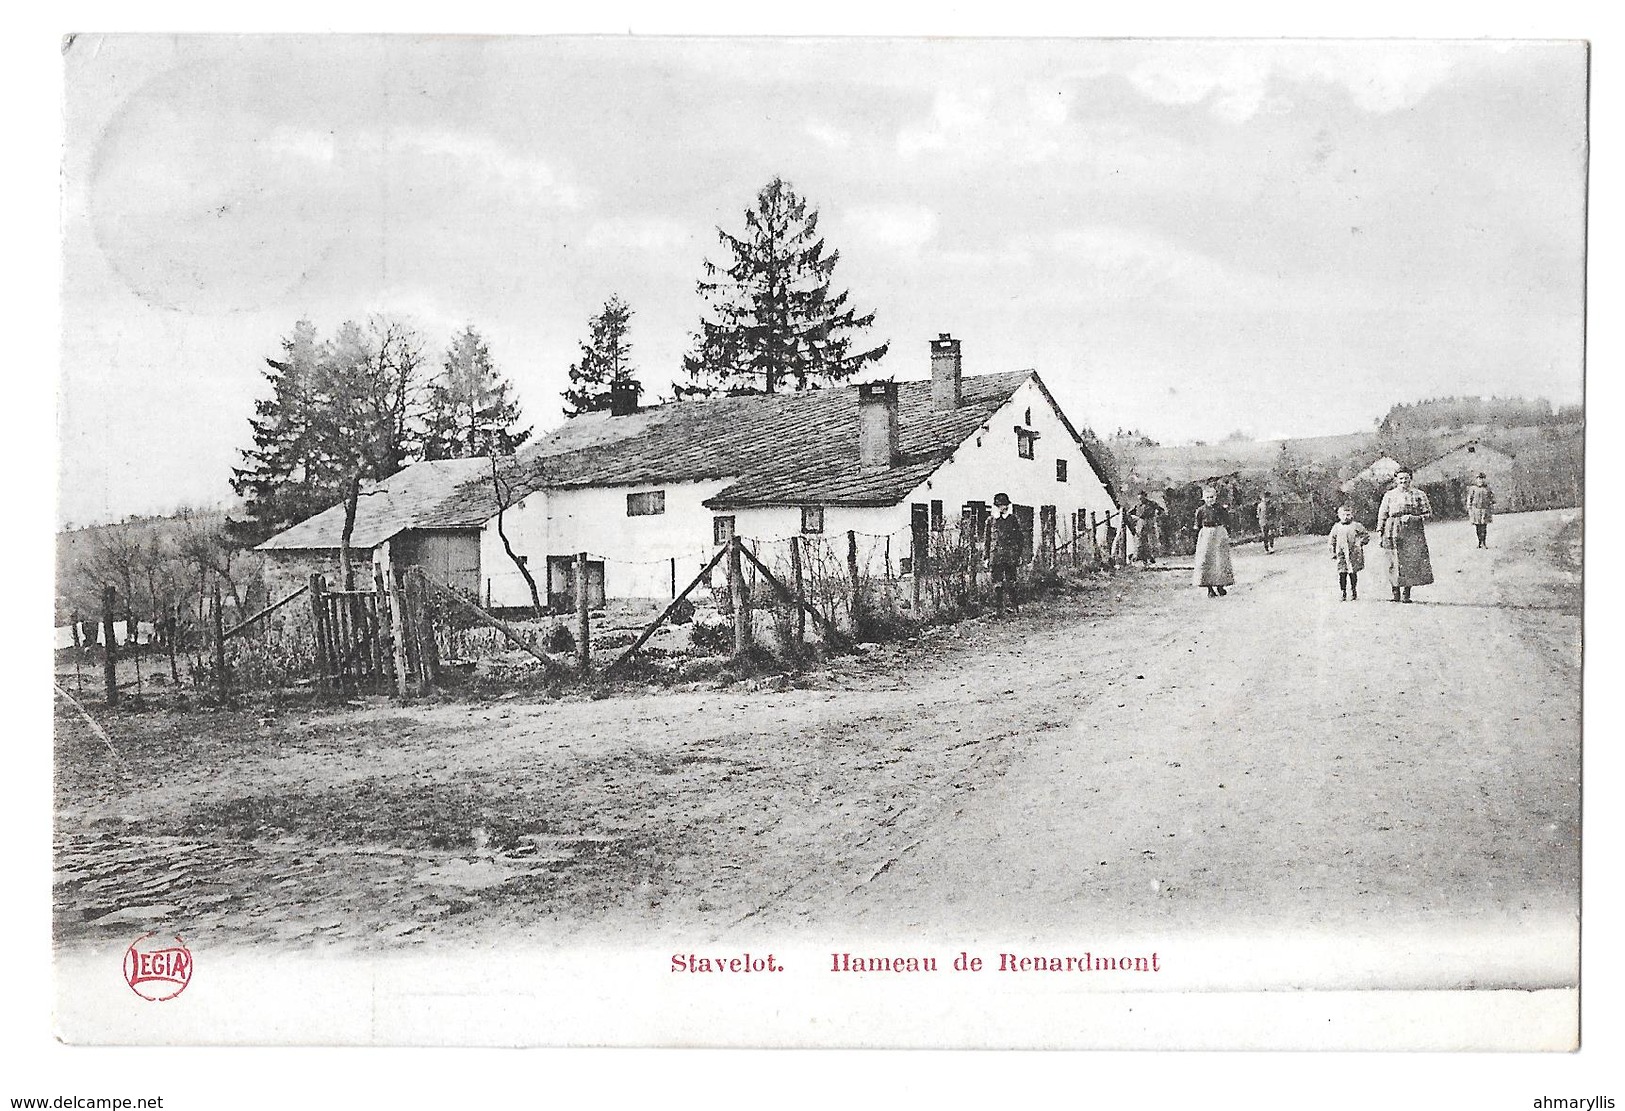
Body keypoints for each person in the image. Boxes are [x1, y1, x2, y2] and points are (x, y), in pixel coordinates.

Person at [1376, 467, 1434, 603]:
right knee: (1392, 560)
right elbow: (1382, 515)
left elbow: (1429, 514)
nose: (1403, 481)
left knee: (1410, 561)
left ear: (1411, 479)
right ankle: (1395, 593)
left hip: (1413, 531)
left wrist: (1414, 518)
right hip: (1392, 530)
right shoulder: (1389, 495)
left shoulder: (1419, 494)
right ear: (1396, 480)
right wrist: (1380, 532)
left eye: (1406, 478)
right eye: (1400, 478)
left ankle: (1406, 594)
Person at [983, 492, 1024, 615]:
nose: (1003, 507)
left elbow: (1019, 538)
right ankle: (998, 610)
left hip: (1010, 556)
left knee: (1011, 582)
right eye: (1001, 505)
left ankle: (1014, 607)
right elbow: (987, 540)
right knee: (997, 583)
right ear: (996, 506)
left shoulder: (1012, 520)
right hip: (995, 556)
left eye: (1005, 505)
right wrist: (986, 557)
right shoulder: (990, 521)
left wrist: (1018, 554)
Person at [1191, 486, 1235, 598]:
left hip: (1219, 533)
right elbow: (1197, 526)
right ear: (1204, 498)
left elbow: (1227, 522)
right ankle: (1210, 589)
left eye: (1212, 497)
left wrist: (1225, 534)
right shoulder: (1200, 510)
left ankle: (1220, 586)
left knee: (1220, 560)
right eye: (1207, 498)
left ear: (1215, 497)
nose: (1210, 500)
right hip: (1206, 534)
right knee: (1206, 560)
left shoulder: (1220, 509)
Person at [1327, 505, 1371, 601]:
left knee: (1352, 572)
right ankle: (1343, 591)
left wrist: (1360, 542)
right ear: (1339, 516)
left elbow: (1366, 535)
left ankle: (1353, 590)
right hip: (1341, 553)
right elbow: (1331, 540)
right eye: (1343, 515)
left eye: (1348, 515)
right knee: (1342, 572)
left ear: (1352, 515)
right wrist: (1332, 551)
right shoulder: (1337, 527)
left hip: (1353, 553)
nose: (1346, 517)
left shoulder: (1356, 525)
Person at [1128, 491, 1164, 566]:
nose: (1141, 500)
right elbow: (1129, 513)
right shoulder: (1138, 505)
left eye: (1142, 498)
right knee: (1141, 541)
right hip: (1141, 522)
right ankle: (1144, 560)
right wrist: (1134, 519)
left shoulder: (1152, 504)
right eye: (1139, 499)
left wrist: (1157, 515)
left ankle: (1152, 557)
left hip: (1150, 521)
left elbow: (1161, 510)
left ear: (1145, 496)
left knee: (1151, 540)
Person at [1465, 472, 1496, 548]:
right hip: (1476, 509)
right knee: (1478, 527)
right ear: (1476, 480)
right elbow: (1470, 498)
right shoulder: (1473, 488)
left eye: (1482, 479)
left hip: (1485, 509)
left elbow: (1492, 498)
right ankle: (1479, 542)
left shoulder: (1487, 488)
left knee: (1484, 527)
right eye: (1479, 479)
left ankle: (1484, 542)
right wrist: (1469, 507)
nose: (1480, 481)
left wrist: (1491, 505)